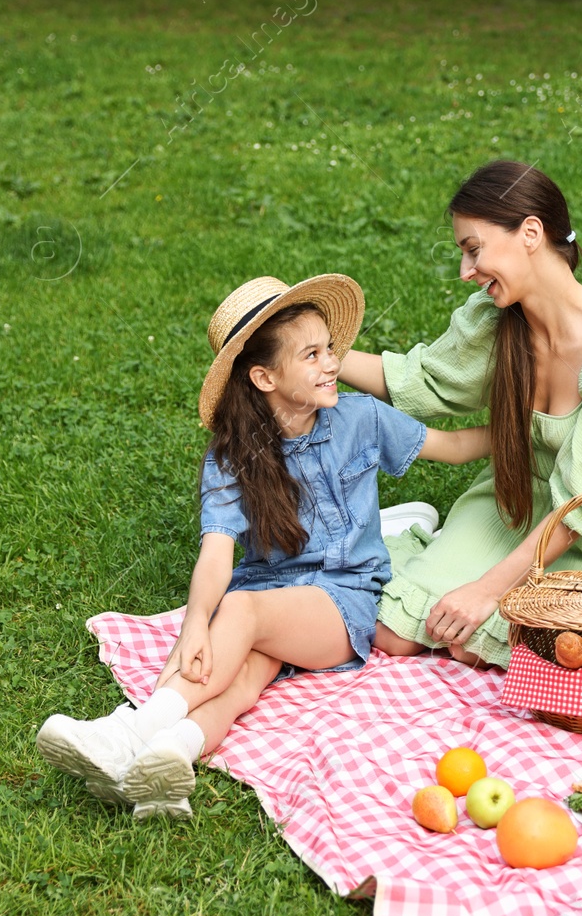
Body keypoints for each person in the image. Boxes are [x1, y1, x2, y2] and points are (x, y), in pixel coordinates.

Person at [36, 275, 491, 818]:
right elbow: (216, 552)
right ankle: (164, 762)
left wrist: (530, 432)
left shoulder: (361, 418)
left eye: (330, 350)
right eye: (313, 354)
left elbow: (457, 447)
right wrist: (196, 623)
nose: (332, 364)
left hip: (342, 599)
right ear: (264, 377)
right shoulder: (233, 456)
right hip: (271, 596)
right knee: (242, 676)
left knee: (241, 610)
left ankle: (127, 729)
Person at [339, 160, 582, 669]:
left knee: (546, 649)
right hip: (516, 500)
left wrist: (485, 590)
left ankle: (452, 564)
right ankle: (410, 539)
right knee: (396, 633)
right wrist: (320, 355)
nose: (465, 271)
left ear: (530, 233)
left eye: (473, 249)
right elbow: (424, 381)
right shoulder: (499, 322)